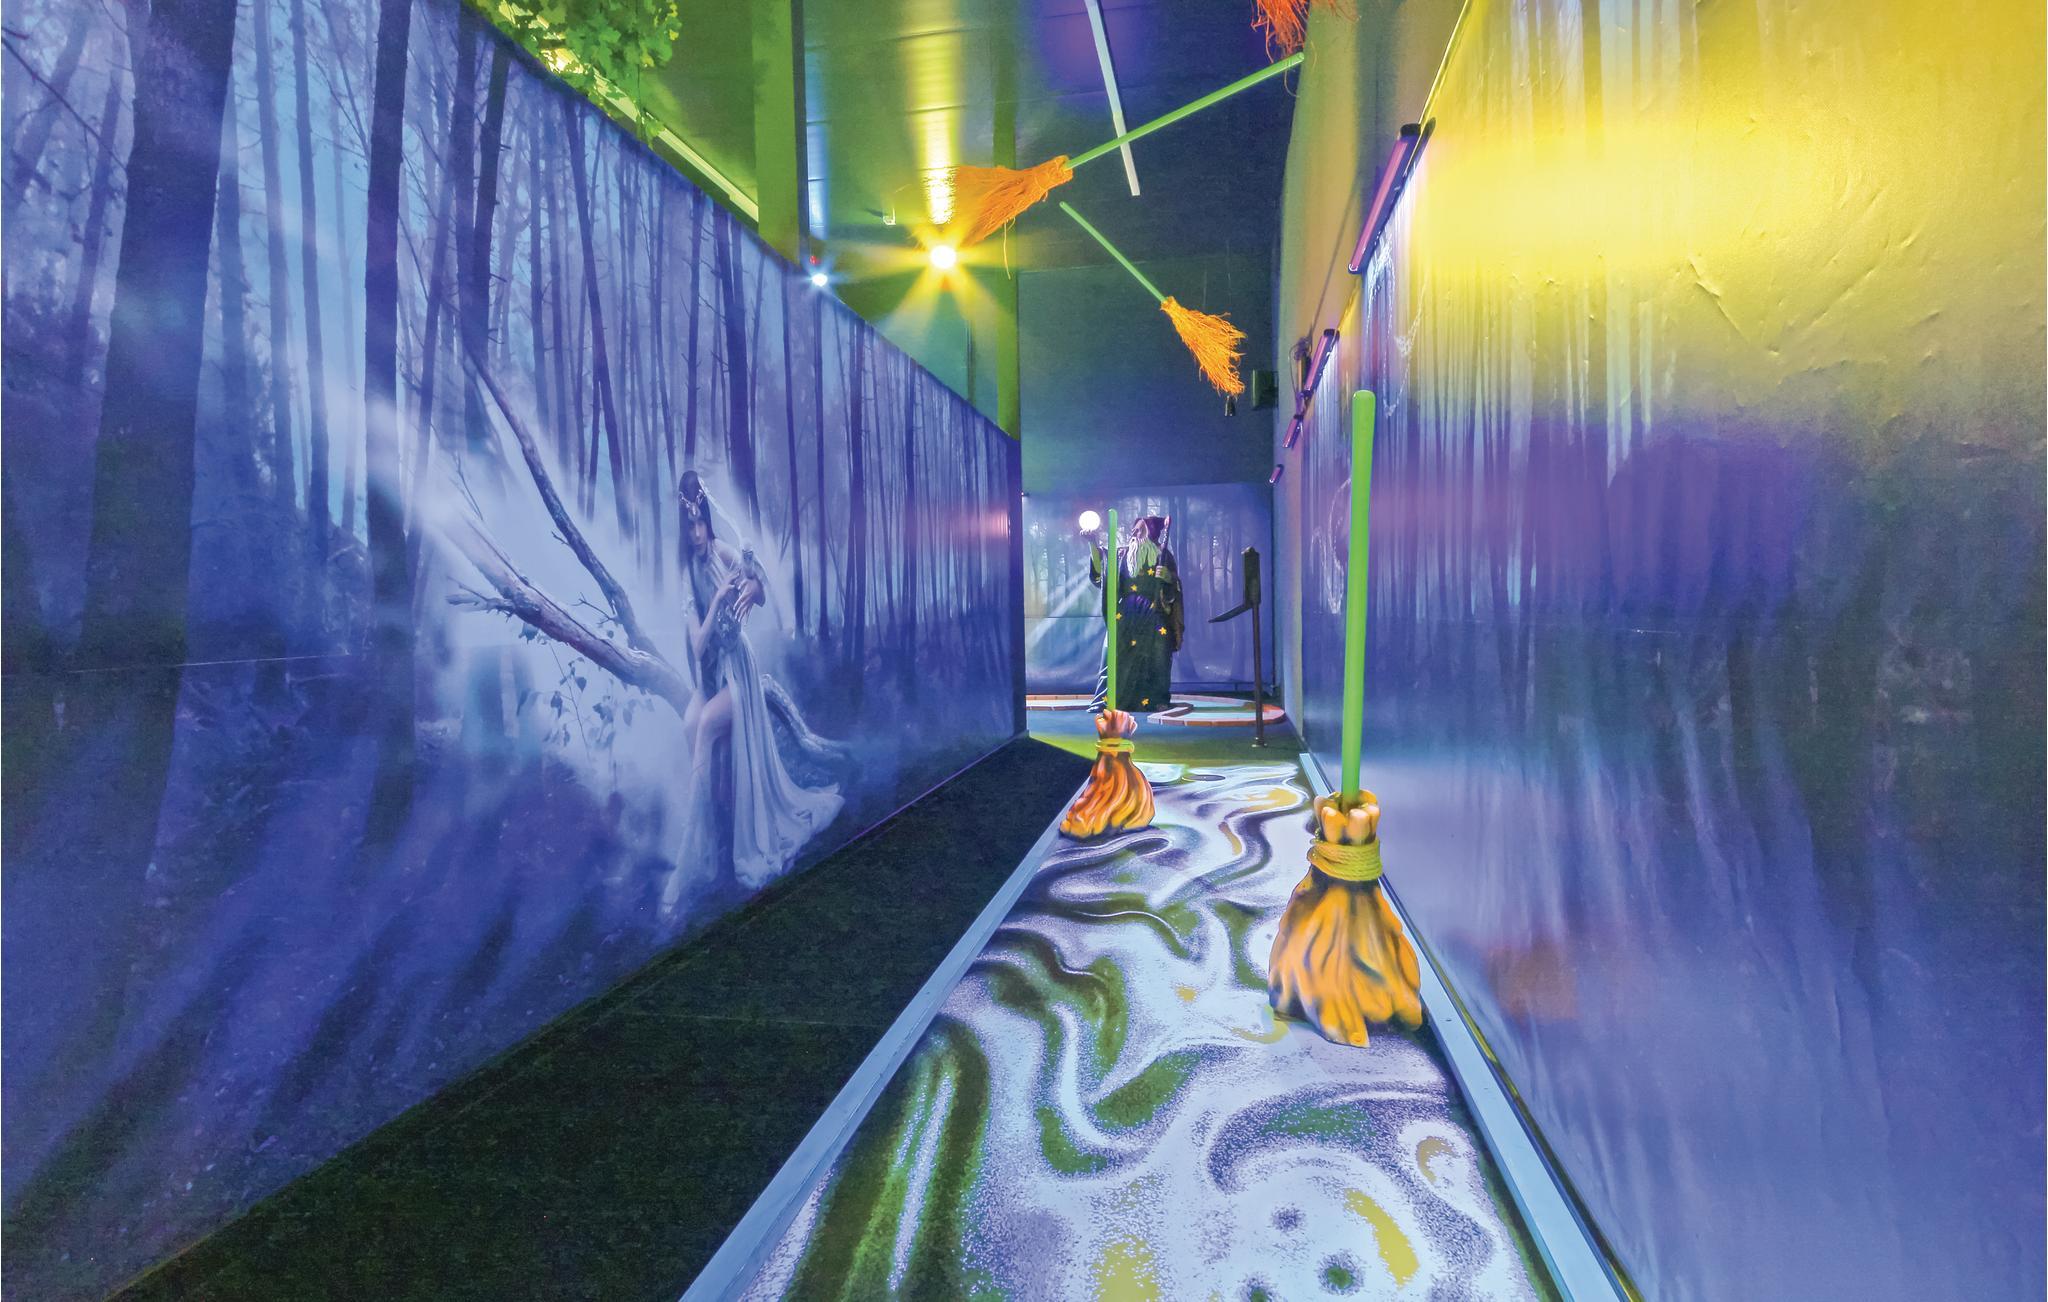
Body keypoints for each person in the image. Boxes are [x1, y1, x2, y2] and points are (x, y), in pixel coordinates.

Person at [666, 472, 842, 904]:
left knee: (704, 728)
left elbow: (760, 589)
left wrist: (754, 586)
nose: (697, 533)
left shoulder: (722, 550)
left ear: (707, 520)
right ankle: (714, 832)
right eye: (690, 526)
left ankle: (691, 860)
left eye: (701, 522)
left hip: (738, 670)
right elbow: (698, 644)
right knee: (689, 726)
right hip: (710, 673)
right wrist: (717, 600)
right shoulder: (687, 573)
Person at [1089, 513, 1183, 713]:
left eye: (1140, 530)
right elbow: (1102, 571)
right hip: (1125, 615)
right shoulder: (1121, 555)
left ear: (1151, 534)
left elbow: (1174, 588)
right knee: (1114, 655)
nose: (1134, 533)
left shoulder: (1163, 555)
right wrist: (1092, 543)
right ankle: (1109, 700)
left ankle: (1157, 699)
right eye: (1133, 529)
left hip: (1154, 613)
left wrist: (1168, 577)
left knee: (1158, 655)